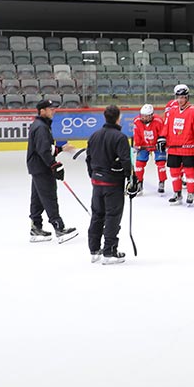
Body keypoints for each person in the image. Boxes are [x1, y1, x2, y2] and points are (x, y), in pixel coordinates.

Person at [86, 105, 138, 264]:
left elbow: (89, 159)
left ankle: (94, 250)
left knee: (97, 215)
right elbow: (126, 161)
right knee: (112, 216)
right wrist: (131, 179)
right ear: (118, 117)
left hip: (97, 182)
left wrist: (92, 175)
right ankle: (109, 251)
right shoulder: (120, 137)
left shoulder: (94, 135)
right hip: (112, 183)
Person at [26, 99, 77, 243]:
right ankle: (59, 228)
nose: (53, 111)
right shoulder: (41, 127)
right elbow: (43, 150)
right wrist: (54, 165)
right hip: (42, 168)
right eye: (50, 109)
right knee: (49, 197)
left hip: (37, 167)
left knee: (37, 199)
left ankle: (36, 228)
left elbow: (46, 148)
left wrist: (60, 149)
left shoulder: (41, 125)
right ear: (42, 111)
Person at [162, 84, 194, 205]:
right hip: (173, 147)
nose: (180, 100)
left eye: (183, 97)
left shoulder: (193, 111)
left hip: (187, 148)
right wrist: (162, 138)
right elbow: (166, 126)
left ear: (187, 98)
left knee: (189, 172)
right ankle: (177, 193)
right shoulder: (172, 111)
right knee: (174, 172)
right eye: (178, 97)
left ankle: (190, 193)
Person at [132, 104, 168, 194]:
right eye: (142, 115)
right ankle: (139, 183)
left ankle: (162, 182)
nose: (143, 118)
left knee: (161, 164)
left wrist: (161, 143)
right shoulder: (137, 121)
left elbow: (162, 134)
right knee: (139, 164)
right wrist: (138, 144)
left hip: (156, 145)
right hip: (144, 145)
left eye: (146, 116)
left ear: (151, 115)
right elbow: (137, 134)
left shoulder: (158, 121)